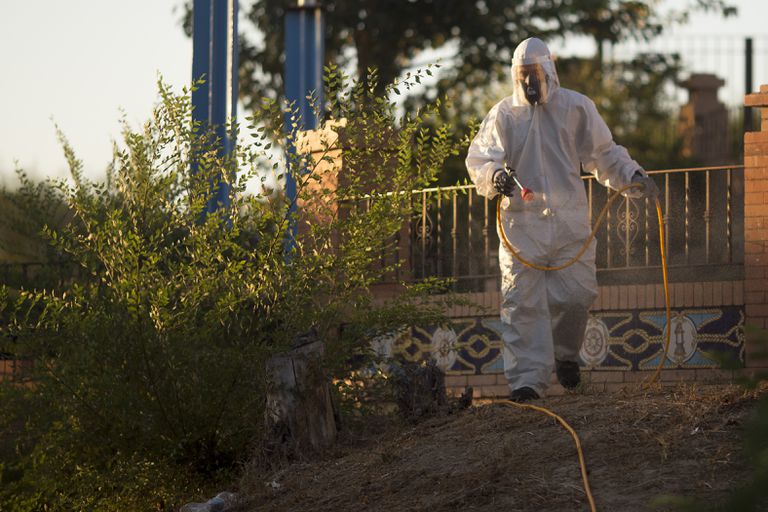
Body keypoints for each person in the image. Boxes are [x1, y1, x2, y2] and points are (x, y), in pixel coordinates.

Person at [465, 37, 659, 402]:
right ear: (514, 76)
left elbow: (604, 154)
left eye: (534, 74)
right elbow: (479, 159)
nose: (529, 83)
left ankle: (566, 355)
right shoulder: (504, 115)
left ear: (549, 71)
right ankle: (526, 384)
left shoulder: (575, 108)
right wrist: (494, 176)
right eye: (522, 76)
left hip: (570, 224)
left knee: (576, 295)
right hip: (521, 228)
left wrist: (632, 176)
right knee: (522, 304)